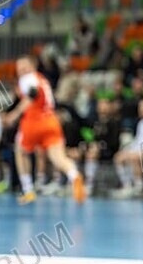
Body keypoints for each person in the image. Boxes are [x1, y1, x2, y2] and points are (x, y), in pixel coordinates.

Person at [5, 57, 86, 204]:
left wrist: (14, 115)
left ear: (32, 66)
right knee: (58, 158)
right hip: (51, 121)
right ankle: (75, 175)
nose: (21, 71)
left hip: (33, 121)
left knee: (20, 151)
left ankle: (28, 189)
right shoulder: (43, 80)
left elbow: (32, 94)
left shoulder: (27, 79)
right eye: (19, 68)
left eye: (23, 67)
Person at [83, 98, 121, 195]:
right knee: (86, 149)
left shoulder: (114, 123)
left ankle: (89, 184)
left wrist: (100, 145)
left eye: (104, 105)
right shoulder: (96, 122)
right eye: (100, 105)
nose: (102, 108)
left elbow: (114, 142)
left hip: (110, 150)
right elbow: (92, 138)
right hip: (96, 149)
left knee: (93, 151)